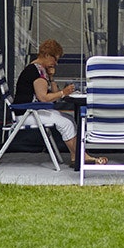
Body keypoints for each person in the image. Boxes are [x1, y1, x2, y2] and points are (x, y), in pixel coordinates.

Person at [13, 39, 104, 167]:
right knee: (65, 123)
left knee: (69, 119)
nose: (56, 63)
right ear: (46, 55)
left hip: (32, 110)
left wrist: (51, 78)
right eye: (54, 59)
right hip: (26, 113)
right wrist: (64, 93)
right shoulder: (36, 72)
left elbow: (53, 94)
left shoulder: (41, 71)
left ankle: (75, 156)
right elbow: (44, 98)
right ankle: (82, 157)